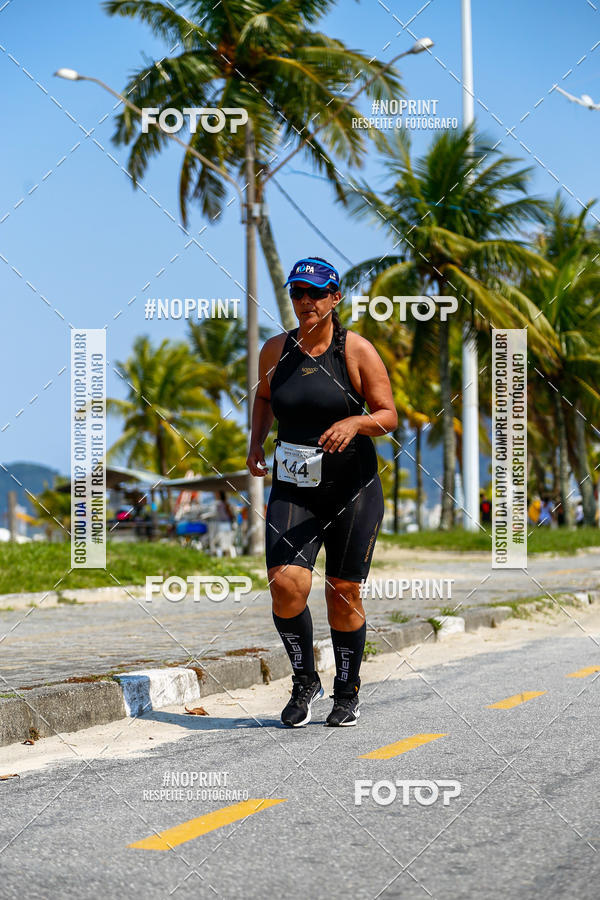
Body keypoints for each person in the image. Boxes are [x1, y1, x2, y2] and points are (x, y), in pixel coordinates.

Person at [247, 256, 397, 727]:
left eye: (315, 293)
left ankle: (346, 691)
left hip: (353, 487)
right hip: (294, 485)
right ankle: (304, 680)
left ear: (335, 298)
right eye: (297, 293)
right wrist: (255, 444)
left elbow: (388, 415)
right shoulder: (275, 350)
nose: (305, 301)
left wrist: (355, 421)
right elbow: (265, 398)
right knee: (286, 584)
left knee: (343, 589)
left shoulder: (356, 351)